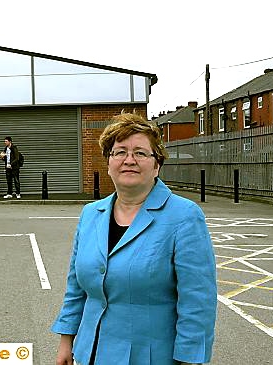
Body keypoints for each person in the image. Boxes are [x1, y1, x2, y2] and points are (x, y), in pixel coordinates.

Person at [51, 112, 217, 365]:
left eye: (140, 152)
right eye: (120, 152)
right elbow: (76, 287)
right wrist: (67, 341)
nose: (129, 160)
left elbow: (197, 300)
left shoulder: (184, 216)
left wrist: (189, 360)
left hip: (149, 357)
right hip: (89, 353)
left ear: (157, 165)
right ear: (109, 163)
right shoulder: (90, 214)